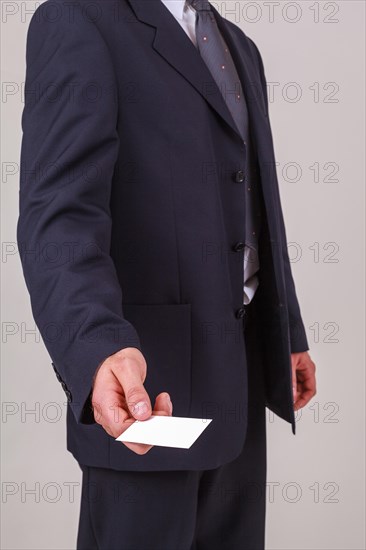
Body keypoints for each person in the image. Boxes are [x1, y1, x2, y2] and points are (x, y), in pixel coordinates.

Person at [17, 0, 317, 548]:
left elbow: (253, 202)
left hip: (242, 375)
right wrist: (96, 347)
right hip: (145, 388)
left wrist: (286, 331)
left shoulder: (237, 46)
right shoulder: (78, 19)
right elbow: (61, 216)